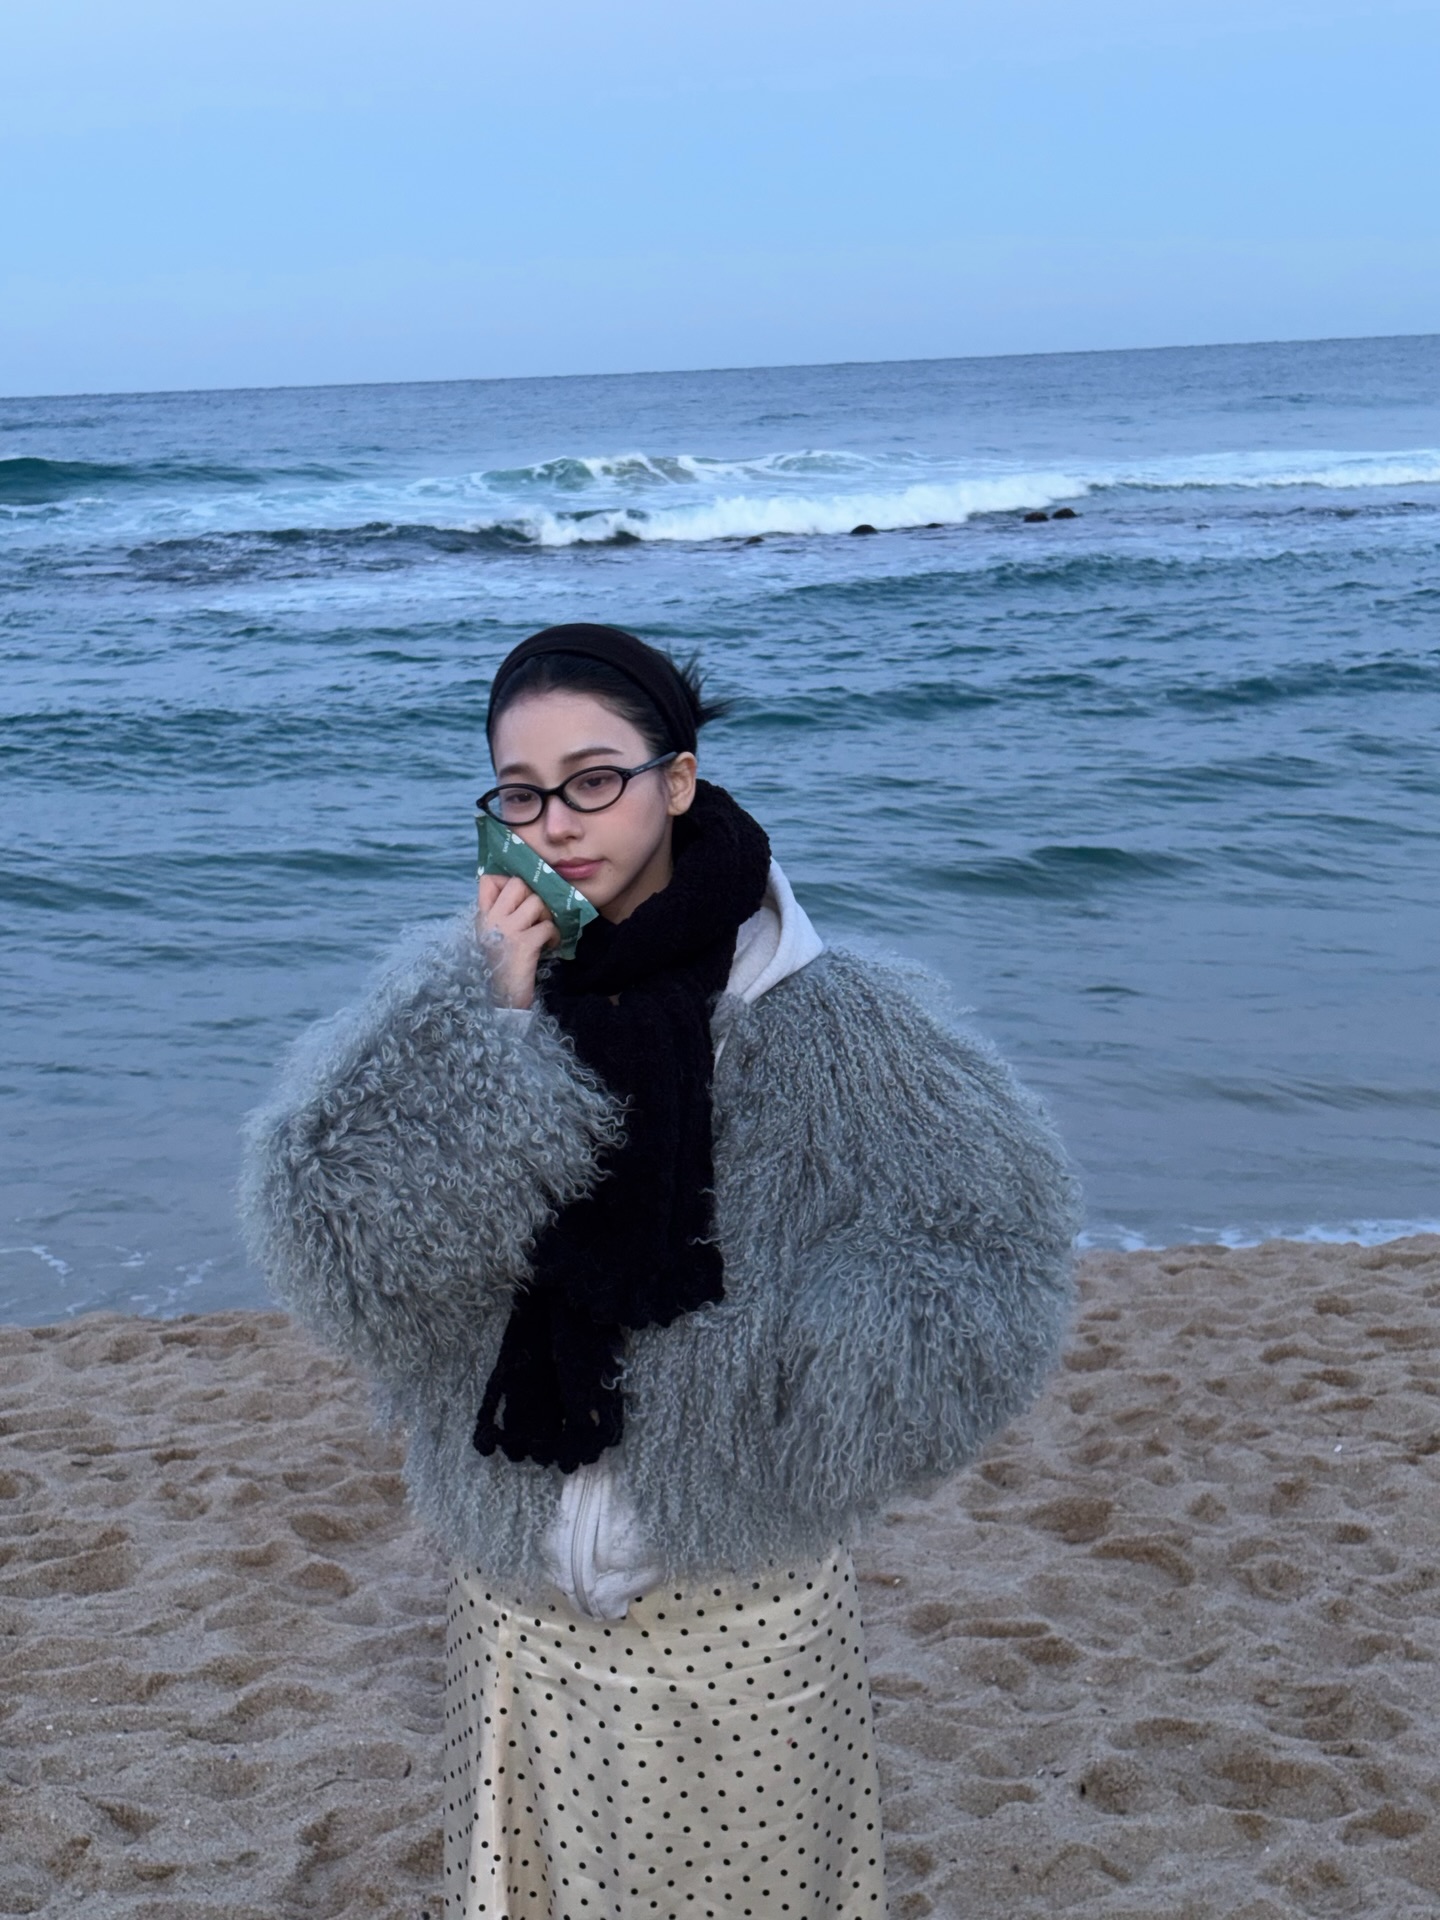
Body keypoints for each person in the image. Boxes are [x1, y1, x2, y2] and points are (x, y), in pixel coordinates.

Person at [240, 622, 1081, 1920]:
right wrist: (486, 1018)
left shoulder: (824, 1011)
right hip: (516, 1596)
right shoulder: (476, 991)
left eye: (595, 779)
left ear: (676, 780)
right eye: (521, 793)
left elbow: (991, 1252)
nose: (556, 823)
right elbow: (341, 1259)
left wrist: (802, 1427)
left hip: (736, 1601)